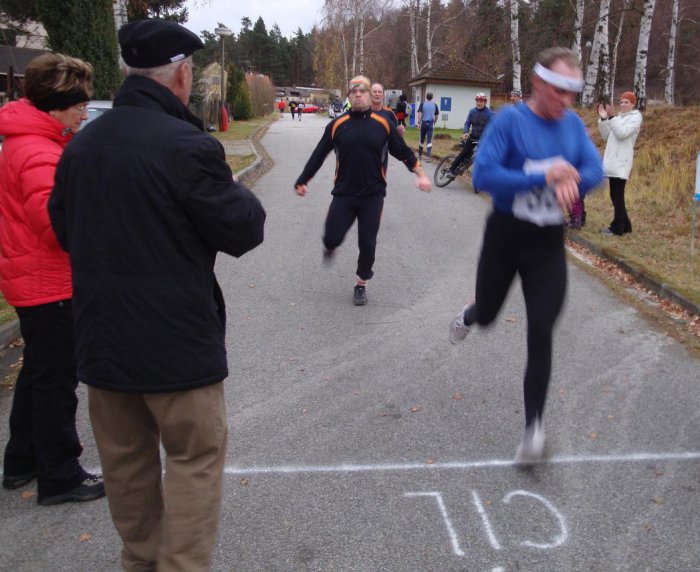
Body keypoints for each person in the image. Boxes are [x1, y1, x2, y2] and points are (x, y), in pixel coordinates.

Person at [48, 19, 266, 570]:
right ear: (182, 75)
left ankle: (140, 560)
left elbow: (63, 229)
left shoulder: (82, 146)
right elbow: (243, 229)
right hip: (177, 345)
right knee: (194, 457)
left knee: (126, 463)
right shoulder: (188, 146)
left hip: (103, 339)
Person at [448, 47, 603, 463]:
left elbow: (595, 169)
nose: (566, 100)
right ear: (537, 82)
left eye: (573, 92)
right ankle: (470, 313)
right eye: (559, 90)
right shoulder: (509, 121)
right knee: (488, 315)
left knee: (541, 328)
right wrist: (543, 174)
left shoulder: (572, 125)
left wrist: (574, 181)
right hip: (505, 236)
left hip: (546, 242)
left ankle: (533, 429)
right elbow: (483, 175)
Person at [0, 53, 105, 506]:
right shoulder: (38, 151)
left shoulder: (32, 140)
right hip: (48, 281)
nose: (84, 114)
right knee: (56, 381)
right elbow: (54, 224)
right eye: (79, 106)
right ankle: (59, 474)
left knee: (39, 373)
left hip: (35, 277)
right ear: (56, 104)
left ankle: (22, 459)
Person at [294, 75, 431, 306]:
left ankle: (361, 283)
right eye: (353, 92)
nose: (358, 95)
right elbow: (319, 154)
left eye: (362, 91)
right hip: (344, 194)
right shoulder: (337, 125)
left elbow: (403, 152)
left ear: (369, 95)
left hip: (373, 195)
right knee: (331, 238)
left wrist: (421, 174)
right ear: (349, 96)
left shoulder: (383, 124)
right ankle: (331, 246)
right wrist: (303, 180)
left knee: (367, 243)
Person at [597, 91, 643, 236]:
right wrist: (604, 119)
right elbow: (606, 135)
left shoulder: (635, 118)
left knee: (617, 195)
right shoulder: (618, 118)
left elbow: (622, 134)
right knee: (615, 194)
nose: (623, 105)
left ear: (633, 104)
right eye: (621, 102)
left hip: (622, 160)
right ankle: (626, 225)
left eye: (626, 102)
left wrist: (611, 118)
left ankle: (617, 227)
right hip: (612, 160)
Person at [449, 93, 493, 174]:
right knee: (463, 153)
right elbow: (467, 123)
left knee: (482, 157)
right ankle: (451, 169)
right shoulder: (472, 111)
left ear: (485, 102)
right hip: (472, 137)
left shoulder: (490, 114)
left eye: (481, 101)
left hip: (483, 139)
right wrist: (466, 132)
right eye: (477, 101)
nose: (479, 103)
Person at [416, 92, 439, 162]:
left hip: (423, 123)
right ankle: (428, 157)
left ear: (426, 97)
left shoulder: (422, 104)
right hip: (430, 123)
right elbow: (436, 116)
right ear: (432, 97)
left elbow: (420, 113)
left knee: (421, 139)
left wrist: (418, 122)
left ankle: (420, 155)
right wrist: (434, 122)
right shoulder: (435, 105)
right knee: (429, 141)